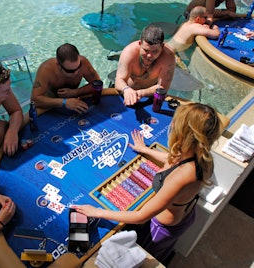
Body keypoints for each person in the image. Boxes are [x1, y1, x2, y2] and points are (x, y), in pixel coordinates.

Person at [72, 103, 222, 263]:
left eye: (175, 122)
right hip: (184, 215)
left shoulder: (183, 177)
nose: (172, 124)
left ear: (185, 133)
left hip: (161, 230)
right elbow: (173, 161)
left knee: (143, 260)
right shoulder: (203, 156)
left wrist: (96, 212)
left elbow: (141, 216)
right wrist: (145, 149)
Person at [31, 43, 101, 114]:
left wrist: (75, 92)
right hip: (50, 107)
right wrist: (64, 102)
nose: (76, 73)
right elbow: (35, 100)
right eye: (70, 71)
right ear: (58, 65)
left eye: (78, 67)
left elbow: (97, 84)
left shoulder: (83, 63)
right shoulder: (46, 70)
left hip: (74, 101)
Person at [114, 25, 176, 106]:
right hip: (126, 92)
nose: (149, 55)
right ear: (140, 43)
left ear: (162, 46)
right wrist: (126, 90)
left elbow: (163, 87)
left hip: (151, 95)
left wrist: (140, 93)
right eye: (146, 50)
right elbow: (119, 80)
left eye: (155, 51)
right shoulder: (129, 52)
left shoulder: (168, 57)